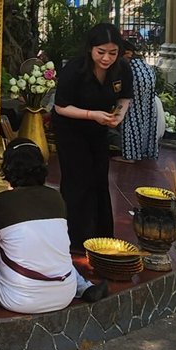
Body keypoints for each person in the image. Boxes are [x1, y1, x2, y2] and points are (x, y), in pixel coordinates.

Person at [0, 144, 108, 315]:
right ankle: (85, 288)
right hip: (66, 293)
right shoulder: (56, 197)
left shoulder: (1, 204)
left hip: (19, 299)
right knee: (52, 256)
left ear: (7, 171)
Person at [51, 23, 132, 250]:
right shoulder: (75, 70)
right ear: (90, 49)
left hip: (99, 128)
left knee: (99, 177)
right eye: (101, 52)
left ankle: (101, 234)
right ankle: (75, 237)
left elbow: (125, 97)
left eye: (113, 53)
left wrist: (119, 115)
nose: (107, 58)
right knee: (78, 179)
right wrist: (91, 114)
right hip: (71, 129)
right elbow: (60, 107)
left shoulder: (122, 69)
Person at [117, 38, 160, 162]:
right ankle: (145, 151)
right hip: (147, 90)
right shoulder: (143, 64)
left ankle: (130, 155)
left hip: (135, 88)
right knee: (146, 117)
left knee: (131, 118)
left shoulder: (129, 65)